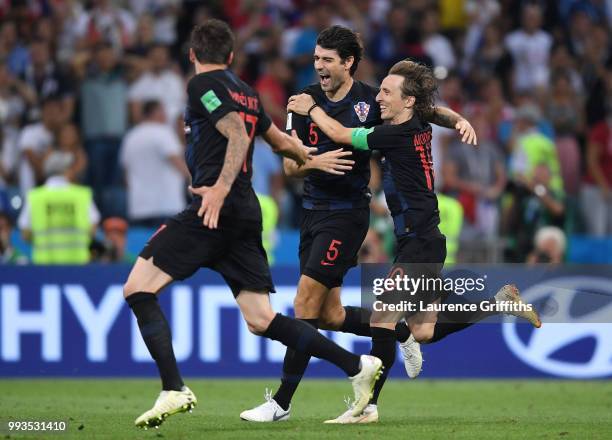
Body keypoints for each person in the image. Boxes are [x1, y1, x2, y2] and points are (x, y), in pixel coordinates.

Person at [123, 19, 383, 430]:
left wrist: (218, 188)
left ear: (193, 55)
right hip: (247, 214)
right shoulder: (246, 92)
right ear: (230, 56)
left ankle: (173, 387)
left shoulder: (200, 87)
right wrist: (313, 160)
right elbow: (280, 141)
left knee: (137, 287)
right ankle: (356, 364)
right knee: (262, 319)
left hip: (213, 209)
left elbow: (237, 137)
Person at [241, 25, 474, 424]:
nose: (319, 67)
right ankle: (399, 335)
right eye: (316, 59)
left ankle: (282, 402)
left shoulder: (372, 100)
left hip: (347, 214)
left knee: (304, 303)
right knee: (329, 315)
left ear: (348, 63)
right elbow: (288, 164)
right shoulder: (304, 101)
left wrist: (455, 119)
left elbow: (422, 110)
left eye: (328, 60)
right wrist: (313, 162)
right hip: (312, 213)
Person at [287, 58, 541, 423]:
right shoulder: (416, 119)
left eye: (386, 93)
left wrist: (311, 108)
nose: (378, 98)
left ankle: (367, 407)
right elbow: (434, 111)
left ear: (407, 102)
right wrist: (458, 119)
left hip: (419, 242)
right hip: (423, 239)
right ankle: (498, 302)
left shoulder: (395, 134)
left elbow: (342, 136)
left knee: (381, 321)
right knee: (423, 331)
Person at [17, 151, 100, 264]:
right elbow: (93, 228)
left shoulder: (35, 197)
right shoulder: (82, 195)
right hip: (78, 266)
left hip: (43, 266)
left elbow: (25, 233)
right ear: (67, 170)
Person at [120, 99, 188, 227]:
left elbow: (126, 176)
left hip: (138, 208)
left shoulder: (130, 137)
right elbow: (178, 163)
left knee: (144, 246)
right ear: (157, 112)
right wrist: (194, 179)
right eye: (163, 110)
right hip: (166, 205)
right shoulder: (163, 133)